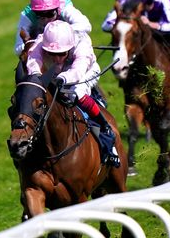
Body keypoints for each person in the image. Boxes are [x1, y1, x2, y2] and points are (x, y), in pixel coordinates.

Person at [26, 20, 121, 167]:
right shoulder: (40, 42)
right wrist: (36, 75)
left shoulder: (81, 45)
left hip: (86, 71)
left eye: (62, 53)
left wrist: (63, 78)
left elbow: (78, 70)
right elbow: (33, 59)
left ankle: (104, 127)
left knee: (76, 93)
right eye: (52, 54)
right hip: (59, 73)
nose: (57, 58)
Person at [15, 0, 108, 105]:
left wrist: (60, 36)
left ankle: (101, 115)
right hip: (48, 53)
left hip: (73, 52)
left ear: (57, 9)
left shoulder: (65, 7)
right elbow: (18, 49)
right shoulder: (26, 16)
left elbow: (85, 25)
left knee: (76, 91)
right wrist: (42, 43)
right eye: (40, 15)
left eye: (49, 14)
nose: (45, 20)